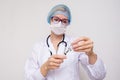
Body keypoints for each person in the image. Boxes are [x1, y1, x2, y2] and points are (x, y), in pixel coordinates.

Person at [24, 4, 106, 80]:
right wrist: (45, 67)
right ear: (50, 19)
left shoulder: (76, 44)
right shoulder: (38, 47)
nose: (60, 24)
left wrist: (91, 54)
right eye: (56, 19)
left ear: (68, 23)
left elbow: (99, 77)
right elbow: (29, 77)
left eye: (64, 21)